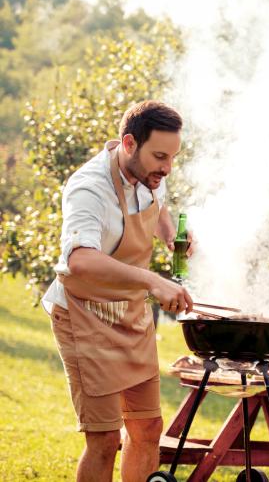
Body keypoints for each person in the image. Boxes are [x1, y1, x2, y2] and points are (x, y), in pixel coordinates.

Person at [42, 101, 194, 482]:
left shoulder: (152, 174)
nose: (167, 167)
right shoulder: (88, 187)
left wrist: (173, 234)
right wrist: (153, 281)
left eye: (173, 157)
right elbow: (79, 259)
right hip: (82, 314)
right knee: (106, 438)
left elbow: (157, 210)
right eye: (160, 156)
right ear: (129, 143)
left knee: (147, 429)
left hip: (129, 313)